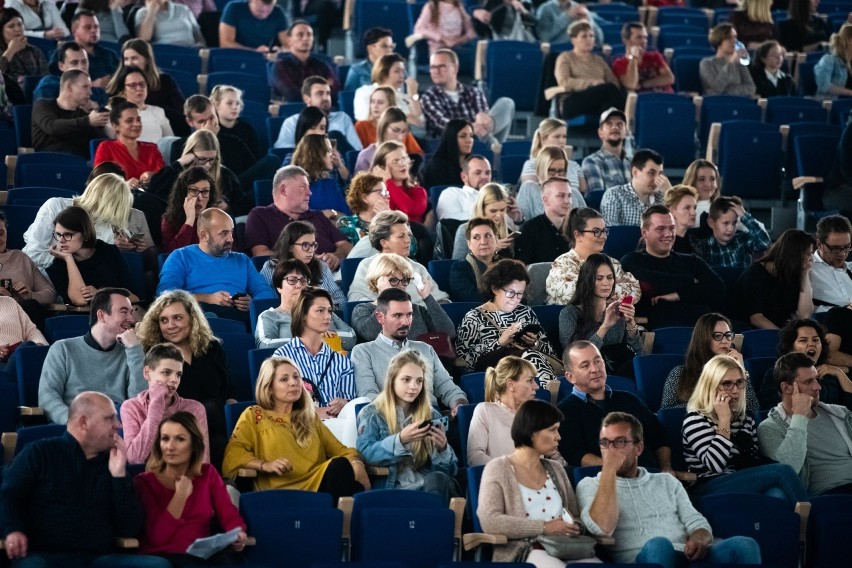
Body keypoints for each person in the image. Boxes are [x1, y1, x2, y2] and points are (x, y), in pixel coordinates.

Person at [0, 391, 172, 568]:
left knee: (158, 565)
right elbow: (8, 495)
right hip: (44, 556)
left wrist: (119, 476)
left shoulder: (113, 463)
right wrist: (13, 530)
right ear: (83, 422)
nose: (118, 425)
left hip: (98, 559)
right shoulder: (39, 453)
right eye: (110, 419)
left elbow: (129, 528)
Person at [576, 411, 762, 566]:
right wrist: (609, 469)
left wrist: (699, 539)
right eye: (605, 443)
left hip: (688, 556)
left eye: (620, 442)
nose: (611, 449)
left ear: (638, 448)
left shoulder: (666, 481)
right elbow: (602, 528)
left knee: (745, 545)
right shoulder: (589, 484)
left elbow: (697, 523)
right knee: (659, 545)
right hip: (645, 559)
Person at [223, 355, 370, 497]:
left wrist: (357, 463)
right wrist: (264, 465)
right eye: (284, 379)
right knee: (351, 482)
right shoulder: (254, 414)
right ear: (269, 387)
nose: (293, 383)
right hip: (276, 488)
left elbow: (341, 451)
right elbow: (234, 453)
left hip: (316, 484)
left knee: (341, 466)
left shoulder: (309, 417)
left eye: (296, 377)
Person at [478, 399, 599, 566]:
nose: (559, 437)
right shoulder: (498, 468)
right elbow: (490, 521)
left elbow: (574, 515)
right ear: (532, 432)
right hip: (524, 551)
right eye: (553, 430)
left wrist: (575, 526)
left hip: (566, 547)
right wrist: (544, 527)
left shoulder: (556, 469)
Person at [682, 354, 810, 507]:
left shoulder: (745, 419)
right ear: (710, 386)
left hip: (742, 479)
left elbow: (752, 459)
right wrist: (724, 420)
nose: (735, 390)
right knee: (782, 471)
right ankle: (814, 519)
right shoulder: (695, 420)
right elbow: (715, 465)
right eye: (727, 384)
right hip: (709, 486)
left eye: (739, 382)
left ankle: (794, 528)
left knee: (776, 494)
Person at [135, 412, 248, 565]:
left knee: (232, 561)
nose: (170, 446)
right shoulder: (144, 481)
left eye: (179, 439)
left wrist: (238, 532)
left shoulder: (208, 473)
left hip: (201, 554)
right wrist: (180, 496)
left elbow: (229, 514)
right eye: (165, 439)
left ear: (194, 445)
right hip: (165, 555)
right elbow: (157, 538)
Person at [137, 290, 233, 466]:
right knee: (209, 410)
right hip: (174, 425)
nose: (170, 325)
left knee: (221, 432)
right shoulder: (155, 355)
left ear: (192, 318)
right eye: (163, 320)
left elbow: (228, 390)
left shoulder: (211, 348)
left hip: (216, 427)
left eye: (177, 318)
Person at [357, 349, 459, 499]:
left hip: (427, 487)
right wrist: (400, 440)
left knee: (439, 479)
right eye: (406, 379)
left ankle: (432, 514)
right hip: (392, 486)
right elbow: (365, 453)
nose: (414, 386)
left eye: (419, 381)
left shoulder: (431, 415)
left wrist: (443, 450)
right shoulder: (371, 413)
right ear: (392, 380)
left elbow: (447, 473)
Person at [38, 288, 145, 424]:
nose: (131, 318)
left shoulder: (131, 352)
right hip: (75, 430)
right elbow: (47, 398)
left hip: (117, 430)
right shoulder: (63, 349)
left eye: (131, 312)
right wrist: (74, 423)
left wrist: (135, 351)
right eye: (124, 311)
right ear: (101, 315)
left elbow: (139, 403)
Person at [558, 341, 669, 470]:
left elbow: (660, 436)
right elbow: (575, 455)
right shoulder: (564, 411)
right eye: (585, 366)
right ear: (570, 377)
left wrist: (666, 468)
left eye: (598, 361)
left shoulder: (630, 399)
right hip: (605, 480)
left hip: (651, 477)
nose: (595, 369)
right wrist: (622, 469)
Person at [351, 286, 465, 409]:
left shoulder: (426, 349)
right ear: (380, 317)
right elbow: (368, 395)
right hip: (390, 419)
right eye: (397, 316)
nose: (405, 322)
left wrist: (459, 404)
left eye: (409, 315)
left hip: (430, 416)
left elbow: (447, 386)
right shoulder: (363, 352)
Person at [758, 352, 852, 495]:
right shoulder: (770, 427)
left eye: (817, 379)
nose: (817, 387)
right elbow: (788, 469)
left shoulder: (841, 414)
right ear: (786, 388)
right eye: (808, 382)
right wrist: (799, 417)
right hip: (831, 494)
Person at [158, 208, 276, 321]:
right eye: (223, 233)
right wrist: (206, 298)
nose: (230, 239)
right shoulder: (180, 256)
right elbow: (166, 294)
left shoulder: (242, 259)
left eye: (231, 232)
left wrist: (252, 302)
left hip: (241, 316)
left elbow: (266, 292)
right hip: (200, 316)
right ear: (204, 235)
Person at [457, 259, 559, 386]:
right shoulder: (473, 318)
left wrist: (535, 343)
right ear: (494, 288)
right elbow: (464, 363)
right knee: (529, 357)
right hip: (497, 374)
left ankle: (549, 396)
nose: (515, 300)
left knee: (531, 356)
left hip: (531, 370)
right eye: (511, 293)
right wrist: (499, 343)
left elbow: (551, 354)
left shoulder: (525, 312)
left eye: (520, 294)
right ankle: (552, 397)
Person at [620, 205, 725, 329]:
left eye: (672, 228)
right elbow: (653, 282)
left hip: (700, 331)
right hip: (657, 329)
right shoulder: (632, 261)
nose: (668, 234)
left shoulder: (691, 260)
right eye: (660, 229)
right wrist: (691, 281)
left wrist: (678, 295)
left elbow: (718, 289)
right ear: (644, 233)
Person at [24, 172, 153, 271]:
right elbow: (33, 255)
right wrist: (71, 260)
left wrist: (114, 249)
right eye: (116, 207)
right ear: (104, 203)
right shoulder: (55, 207)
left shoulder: (108, 224)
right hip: (46, 274)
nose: (117, 214)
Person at [245, 165, 353, 267]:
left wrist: (336, 256)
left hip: (334, 275)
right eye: (303, 187)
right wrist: (307, 260)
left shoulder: (317, 215)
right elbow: (260, 254)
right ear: (283, 190)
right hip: (291, 278)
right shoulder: (260, 215)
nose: (309, 192)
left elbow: (346, 245)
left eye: (309, 187)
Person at [121, 343, 209, 465]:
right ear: (147, 373)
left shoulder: (194, 408)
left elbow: (202, 461)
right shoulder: (131, 407)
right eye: (166, 372)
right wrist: (156, 405)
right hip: (149, 481)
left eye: (178, 374)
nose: (174, 379)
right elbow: (135, 458)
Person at [273, 287, 357, 416]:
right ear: (303, 315)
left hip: (336, 427)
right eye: (320, 311)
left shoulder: (341, 361)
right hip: (297, 427)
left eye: (329, 311)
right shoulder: (282, 357)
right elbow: (277, 404)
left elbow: (349, 403)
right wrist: (313, 413)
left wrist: (345, 403)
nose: (328, 316)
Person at [660, 313, 759, 413]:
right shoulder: (680, 373)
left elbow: (753, 409)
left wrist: (741, 370)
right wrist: (712, 404)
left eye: (728, 335)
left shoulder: (733, 374)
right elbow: (667, 412)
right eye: (718, 336)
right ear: (703, 339)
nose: (725, 341)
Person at [347, 212, 449, 305]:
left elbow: (441, 299)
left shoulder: (418, 268)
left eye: (408, 235)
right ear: (384, 243)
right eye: (401, 236)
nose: (408, 240)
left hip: (424, 321)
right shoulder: (367, 266)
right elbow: (356, 299)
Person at [558, 254, 643, 365]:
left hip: (619, 373)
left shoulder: (615, 312)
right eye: (599, 278)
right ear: (587, 280)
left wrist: (630, 323)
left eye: (609, 277)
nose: (606, 283)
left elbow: (640, 355)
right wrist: (605, 327)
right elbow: (576, 360)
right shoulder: (569, 313)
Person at [46, 206, 138, 307]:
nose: (61, 240)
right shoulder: (57, 267)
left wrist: (102, 294)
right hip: (82, 319)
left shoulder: (109, 252)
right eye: (58, 235)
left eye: (68, 235)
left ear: (85, 234)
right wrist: (69, 259)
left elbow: (134, 296)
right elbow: (80, 301)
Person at [547, 207, 640, 306]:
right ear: (578, 235)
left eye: (604, 231)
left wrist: (594, 289)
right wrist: (615, 291)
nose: (603, 236)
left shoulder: (611, 262)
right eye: (596, 231)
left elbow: (635, 290)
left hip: (610, 320)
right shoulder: (563, 264)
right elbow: (574, 296)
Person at [350, 254, 454, 342]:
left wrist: (427, 297)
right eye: (393, 280)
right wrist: (386, 296)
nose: (400, 285)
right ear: (376, 281)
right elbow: (371, 335)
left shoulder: (417, 309)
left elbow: (449, 333)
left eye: (404, 280)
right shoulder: (362, 310)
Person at [420, 48, 514, 144]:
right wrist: (472, 129)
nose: (436, 71)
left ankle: (491, 146)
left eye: (441, 66)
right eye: (432, 67)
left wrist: (481, 122)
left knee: (506, 103)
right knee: (483, 137)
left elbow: (483, 119)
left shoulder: (474, 92)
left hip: (480, 138)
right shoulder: (429, 97)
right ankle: (494, 148)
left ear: (455, 68)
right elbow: (445, 125)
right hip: (451, 146)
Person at [467, 356, 549, 466]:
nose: (536, 386)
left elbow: (552, 454)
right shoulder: (485, 411)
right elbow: (475, 458)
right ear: (511, 385)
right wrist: (514, 468)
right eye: (530, 380)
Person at [256, 259, 355, 350]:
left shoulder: (323, 309)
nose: (299, 285)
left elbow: (351, 337)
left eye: (303, 281)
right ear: (279, 287)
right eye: (292, 280)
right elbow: (265, 344)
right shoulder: (269, 316)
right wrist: (309, 340)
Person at [758, 318, 852, 410]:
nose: (811, 344)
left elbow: (848, 411)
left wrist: (840, 374)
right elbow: (773, 410)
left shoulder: (830, 374)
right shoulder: (777, 374)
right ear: (791, 347)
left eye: (815, 340)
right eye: (803, 340)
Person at [740, 229, 816, 329]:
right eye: (808, 254)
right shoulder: (754, 273)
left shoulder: (793, 274)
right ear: (794, 254)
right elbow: (756, 318)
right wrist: (783, 336)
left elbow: (805, 316)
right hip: (755, 331)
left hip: (780, 331)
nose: (811, 258)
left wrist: (805, 275)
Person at [259, 220, 347, 307]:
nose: (311, 250)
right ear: (290, 246)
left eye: (313, 245)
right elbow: (266, 301)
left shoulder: (321, 266)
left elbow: (339, 297)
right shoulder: (271, 267)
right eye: (305, 245)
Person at [111, 39, 186, 135]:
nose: (129, 63)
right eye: (126, 59)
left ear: (146, 59)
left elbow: (181, 111)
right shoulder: (118, 83)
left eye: (134, 58)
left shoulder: (164, 81)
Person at [554, 19, 625, 120]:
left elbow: (614, 82)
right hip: (573, 100)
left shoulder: (599, 60)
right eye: (584, 36)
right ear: (573, 40)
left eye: (592, 36)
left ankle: (611, 128)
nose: (589, 39)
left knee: (610, 105)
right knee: (610, 90)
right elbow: (564, 81)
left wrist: (600, 87)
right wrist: (592, 83)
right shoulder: (565, 57)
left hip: (599, 100)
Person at [32, 69, 109, 158]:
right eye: (85, 87)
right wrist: (88, 121)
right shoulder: (43, 105)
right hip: (48, 162)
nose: (90, 92)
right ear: (69, 86)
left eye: (90, 88)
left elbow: (102, 141)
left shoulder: (83, 115)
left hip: (79, 164)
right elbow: (52, 126)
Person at [274, 76, 361, 151]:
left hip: (339, 165)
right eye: (320, 94)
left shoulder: (343, 118)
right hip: (306, 164)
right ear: (307, 98)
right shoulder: (292, 122)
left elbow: (356, 150)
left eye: (328, 93)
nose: (326, 98)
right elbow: (283, 150)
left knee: (334, 135)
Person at [0, 210, 56, 327]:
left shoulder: (21, 258)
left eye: (1, 233)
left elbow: (49, 293)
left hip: (22, 318)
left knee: (30, 305)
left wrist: (30, 296)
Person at [94, 98, 165, 188]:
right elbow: (100, 181)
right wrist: (124, 185)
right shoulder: (106, 147)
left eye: (138, 120)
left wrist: (153, 175)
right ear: (115, 126)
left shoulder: (152, 148)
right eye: (129, 121)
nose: (137, 124)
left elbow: (164, 177)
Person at [694, 195, 771, 269]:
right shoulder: (704, 248)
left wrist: (744, 215)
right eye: (726, 223)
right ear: (711, 222)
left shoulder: (743, 239)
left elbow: (764, 243)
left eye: (734, 223)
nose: (731, 229)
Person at [271, 21, 339, 101]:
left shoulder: (322, 65)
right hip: (293, 110)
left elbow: (334, 90)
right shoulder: (280, 66)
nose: (306, 38)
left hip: (322, 110)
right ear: (289, 41)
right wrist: (320, 93)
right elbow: (291, 93)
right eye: (300, 35)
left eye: (309, 35)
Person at [600, 148, 669, 227]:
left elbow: (679, 229)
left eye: (660, 174)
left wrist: (670, 192)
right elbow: (611, 232)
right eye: (651, 173)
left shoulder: (663, 197)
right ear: (635, 172)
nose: (657, 180)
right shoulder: (614, 195)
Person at [450, 182, 518, 261]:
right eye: (493, 211)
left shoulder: (507, 231)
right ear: (481, 208)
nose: (499, 215)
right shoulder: (464, 230)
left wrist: (517, 220)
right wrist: (492, 248)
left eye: (502, 210)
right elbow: (457, 264)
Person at [516, 146, 586, 223]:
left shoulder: (574, 194)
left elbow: (586, 225)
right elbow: (520, 226)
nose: (556, 176)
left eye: (561, 171)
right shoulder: (529, 189)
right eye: (551, 171)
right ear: (540, 171)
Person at [106, 66, 173, 144]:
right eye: (132, 85)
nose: (138, 88)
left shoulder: (158, 111)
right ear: (123, 89)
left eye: (142, 84)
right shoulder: (111, 111)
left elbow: (170, 141)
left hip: (157, 154)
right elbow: (109, 143)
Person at [514, 177, 573, 265]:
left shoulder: (576, 228)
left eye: (569, 196)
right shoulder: (529, 230)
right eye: (561, 196)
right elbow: (522, 268)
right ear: (546, 200)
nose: (567, 201)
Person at [519, 118, 586, 194]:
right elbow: (529, 192)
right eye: (557, 137)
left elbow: (583, 193)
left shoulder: (575, 165)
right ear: (543, 138)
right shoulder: (532, 164)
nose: (562, 141)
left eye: (564, 137)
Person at [160, 167, 219, 253]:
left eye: (205, 191)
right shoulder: (169, 220)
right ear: (183, 193)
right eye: (194, 190)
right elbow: (173, 255)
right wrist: (189, 221)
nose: (200, 198)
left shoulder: (218, 218)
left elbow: (229, 252)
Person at [33, 41, 107, 107]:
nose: (81, 67)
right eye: (74, 63)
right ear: (61, 66)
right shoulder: (48, 86)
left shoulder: (97, 92)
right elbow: (44, 119)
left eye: (84, 62)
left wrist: (96, 108)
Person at [371, 140, 428, 224]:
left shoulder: (418, 191)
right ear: (382, 168)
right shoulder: (377, 194)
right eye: (395, 161)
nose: (402, 164)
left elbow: (409, 209)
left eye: (404, 159)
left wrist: (388, 182)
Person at [354, 105, 424, 174]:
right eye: (395, 130)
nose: (401, 137)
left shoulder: (408, 157)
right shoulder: (366, 156)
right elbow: (360, 184)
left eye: (404, 132)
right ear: (383, 128)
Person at [292, 133, 350, 215]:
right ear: (315, 154)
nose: (332, 155)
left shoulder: (331, 184)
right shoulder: (295, 187)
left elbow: (347, 216)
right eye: (328, 151)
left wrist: (333, 214)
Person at [612, 22, 675, 93]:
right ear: (626, 41)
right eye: (639, 37)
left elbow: (669, 78)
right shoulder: (619, 63)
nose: (644, 41)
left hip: (665, 95)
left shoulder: (655, 56)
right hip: (644, 100)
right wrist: (634, 57)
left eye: (645, 38)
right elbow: (631, 85)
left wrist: (643, 84)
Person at [582, 107, 633, 195]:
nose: (615, 127)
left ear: (626, 132)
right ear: (600, 132)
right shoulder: (592, 162)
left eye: (620, 124)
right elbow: (597, 198)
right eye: (609, 124)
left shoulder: (635, 162)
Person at [449, 217, 500, 302]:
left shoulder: (507, 265)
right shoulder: (459, 268)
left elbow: (520, 296)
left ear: (496, 240)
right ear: (469, 244)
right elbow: (471, 298)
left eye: (488, 236)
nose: (483, 242)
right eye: (476, 237)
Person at [700, 23, 757, 96]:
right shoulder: (706, 63)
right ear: (719, 40)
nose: (734, 41)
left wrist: (728, 91)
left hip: (739, 102)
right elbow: (717, 88)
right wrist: (730, 63)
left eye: (735, 37)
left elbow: (751, 88)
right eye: (729, 38)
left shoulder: (739, 62)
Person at [67, 11, 120, 88]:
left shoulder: (110, 54)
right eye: (87, 27)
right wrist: (93, 84)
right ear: (74, 32)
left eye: (96, 27)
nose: (93, 30)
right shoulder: (65, 55)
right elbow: (58, 85)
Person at [811, 215, 852, 313]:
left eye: (847, 247)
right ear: (819, 244)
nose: (842, 254)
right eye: (836, 248)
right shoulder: (807, 267)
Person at [421, 119, 474, 193]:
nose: (469, 140)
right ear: (451, 138)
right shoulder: (438, 165)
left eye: (471, 136)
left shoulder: (474, 163)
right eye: (463, 136)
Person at [337, 172, 389, 246]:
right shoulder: (347, 223)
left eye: (386, 192)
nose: (386, 196)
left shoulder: (395, 220)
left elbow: (410, 250)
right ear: (364, 197)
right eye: (381, 192)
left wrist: (388, 218)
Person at [211, 84, 261, 159]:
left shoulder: (248, 129)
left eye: (237, 103)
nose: (235, 107)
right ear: (217, 105)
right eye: (229, 103)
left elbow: (256, 159)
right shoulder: (211, 130)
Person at [218, 0, 289, 52]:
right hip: (236, 57)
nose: (264, 14)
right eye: (260, 11)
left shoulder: (278, 13)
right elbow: (225, 43)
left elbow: (288, 45)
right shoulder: (234, 8)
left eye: (268, 11)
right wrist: (254, 52)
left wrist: (280, 51)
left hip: (265, 59)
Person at [0, 7, 48, 81]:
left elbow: (46, 78)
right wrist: (10, 51)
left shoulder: (34, 50)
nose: (17, 29)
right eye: (11, 26)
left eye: (20, 25)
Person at [134, 0, 205, 47]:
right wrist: (151, 11)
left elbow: (198, 35)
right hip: (165, 51)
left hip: (190, 49)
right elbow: (143, 39)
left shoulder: (183, 9)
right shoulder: (142, 13)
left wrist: (201, 46)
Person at [683, 158, 722, 227]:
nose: (708, 184)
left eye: (712, 179)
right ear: (691, 182)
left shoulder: (725, 208)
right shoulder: (679, 210)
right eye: (701, 179)